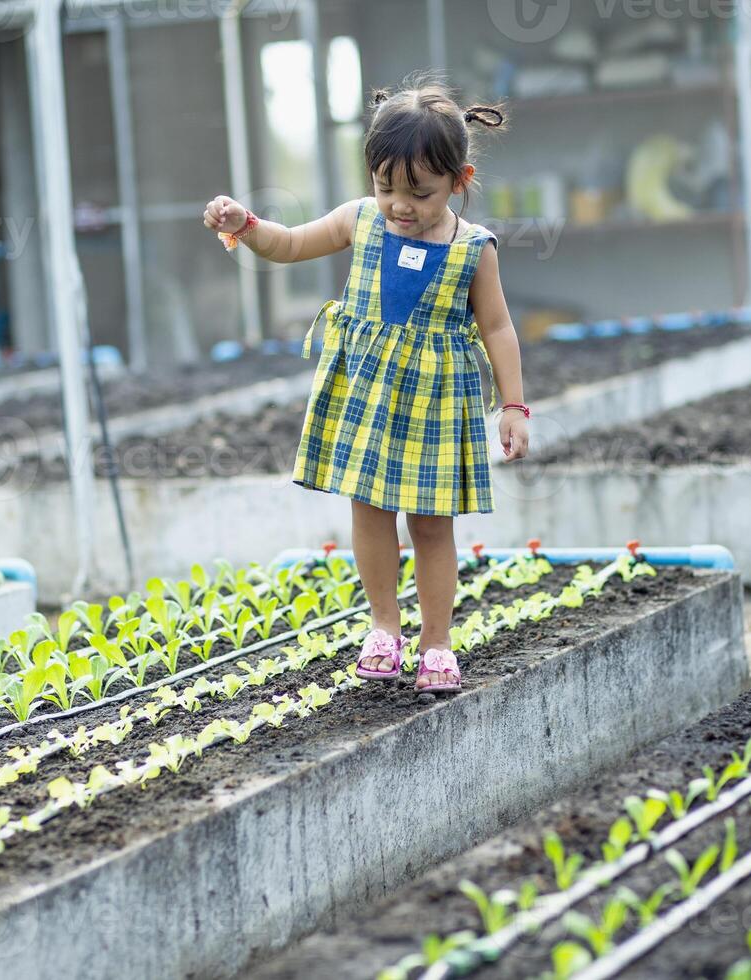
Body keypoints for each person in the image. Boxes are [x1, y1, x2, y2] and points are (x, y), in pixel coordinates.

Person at [204, 76, 529, 692]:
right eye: (386, 188)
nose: (400, 206)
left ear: (458, 181)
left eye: (420, 193)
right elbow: (291, 243)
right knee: (370, 509)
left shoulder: (474, 250)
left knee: (432, 523)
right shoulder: (360, 222)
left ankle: (436, 642)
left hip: (437, 404)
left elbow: (499, 328)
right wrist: (246, 223)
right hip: (369, 397)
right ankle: (384, 626)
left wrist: (513, 406)